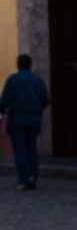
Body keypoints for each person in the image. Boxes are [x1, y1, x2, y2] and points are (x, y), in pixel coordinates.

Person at [0, 55, 50, 191]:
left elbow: (4, 100)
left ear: (17, 64)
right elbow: (45, 99)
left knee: (20, 150)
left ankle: (24, 178)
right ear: (30, 65)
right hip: (34, 119)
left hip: (17, 119)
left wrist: (2, 111)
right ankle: (33, 177)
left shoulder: (12, 80)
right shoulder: (38, 81)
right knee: (32, 149)